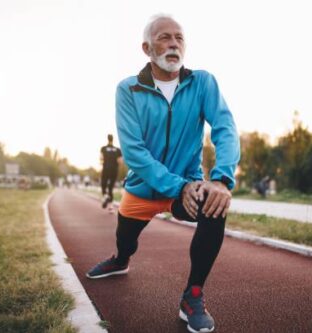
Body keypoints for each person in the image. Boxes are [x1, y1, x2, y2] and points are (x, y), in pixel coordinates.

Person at [86, 14, 240, 333]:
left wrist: (222, 179)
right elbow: (135, 153)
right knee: (125, 240)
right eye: (164, 37)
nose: (173, 43)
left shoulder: (203, 83)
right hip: (142, 190)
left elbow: (225, 128)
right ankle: (121, 259)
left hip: (187, 186)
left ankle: (193, 295)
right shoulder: (128, 89)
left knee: (215, 204)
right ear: (147, 48)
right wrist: (179, 185)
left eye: (179, 38)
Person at [100, 134, 122, 213]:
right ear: (113, 139)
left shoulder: (103, 148)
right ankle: (111, 207)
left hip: (106, 169)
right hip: (114, 170)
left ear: (107, 139)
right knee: (110, 188)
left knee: (103, 185)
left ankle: (106, 196)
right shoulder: (117, 150)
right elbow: (120, 161)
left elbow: (101, 158)